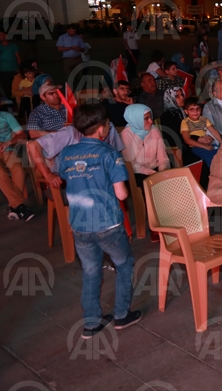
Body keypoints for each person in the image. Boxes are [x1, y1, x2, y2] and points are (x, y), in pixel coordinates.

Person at [57, 104, 141, 337]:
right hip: (107, 224)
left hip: (79, 225)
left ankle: (91, 323)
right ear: (103, 129)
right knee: (124, 264)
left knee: (91, 270)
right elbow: (122, 194)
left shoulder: (66, 153)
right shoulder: (109, 154)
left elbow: (65, 177)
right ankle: (122, 315)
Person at [0, 93, 32, 220]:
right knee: (0, 172)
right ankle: (19, 205)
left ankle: (14, 206)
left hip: (8, 150)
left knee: (18, 169)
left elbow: (22, 135)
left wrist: (8, 143)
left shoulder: (6, 116)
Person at [120, 104, 169, 187]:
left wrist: (163, 170)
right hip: (138, 172)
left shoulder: (154, 130)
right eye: (146, 118)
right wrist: (151, 173)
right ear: (136, 119)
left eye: (151, 117)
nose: (151, 121)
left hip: (156, 169)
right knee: (151, 187)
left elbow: (163, 157)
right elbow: (131, 163)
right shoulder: (125, 134)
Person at [180, 97, 222, 168]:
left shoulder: (204, 119)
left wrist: (221, 143)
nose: (195, 112)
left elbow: (214, 131)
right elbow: (187, 140)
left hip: (210, 143)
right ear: (186, 111)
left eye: (198, 109)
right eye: (192, 109)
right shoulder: (185, 122)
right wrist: (204, 146)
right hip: (197, 147)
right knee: (212, 159)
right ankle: (215, 175)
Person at [0, 30, 21, 100]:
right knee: (7, 90)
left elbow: (18, 58)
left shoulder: (13, 46)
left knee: (16, 88)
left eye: (1, 34)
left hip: (15, 71)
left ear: (6, 35)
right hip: (3, 72)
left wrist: (20, 69)